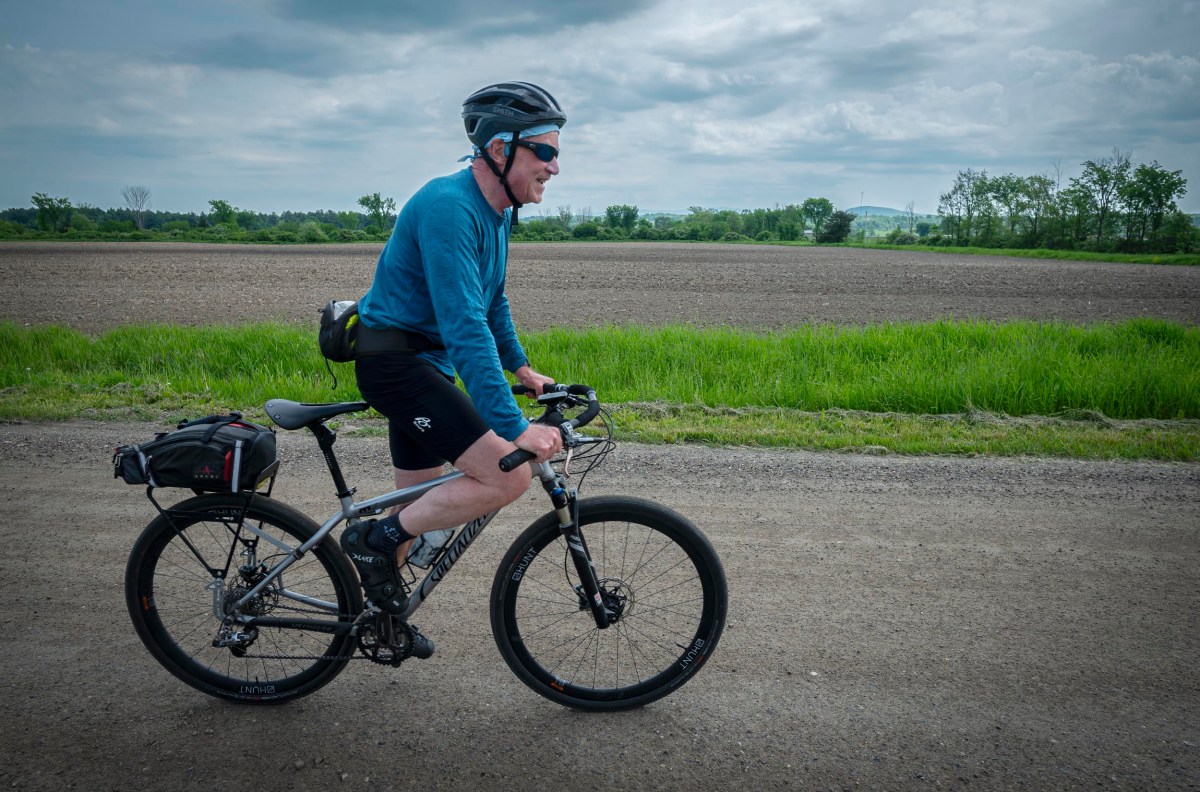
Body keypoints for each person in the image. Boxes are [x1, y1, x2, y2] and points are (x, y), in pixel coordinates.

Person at [340, 82, 567, 659]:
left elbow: (492, 301)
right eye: (544, 151)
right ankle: (372, 540)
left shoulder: (497, 213)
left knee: (411, 513)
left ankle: (379, 622)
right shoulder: (448, 207)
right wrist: (514, 425)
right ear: (499, 150)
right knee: (507, 474)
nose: (555, 166)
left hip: (425, 366)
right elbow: (464, 323)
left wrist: (522, 367)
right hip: (396, 365)